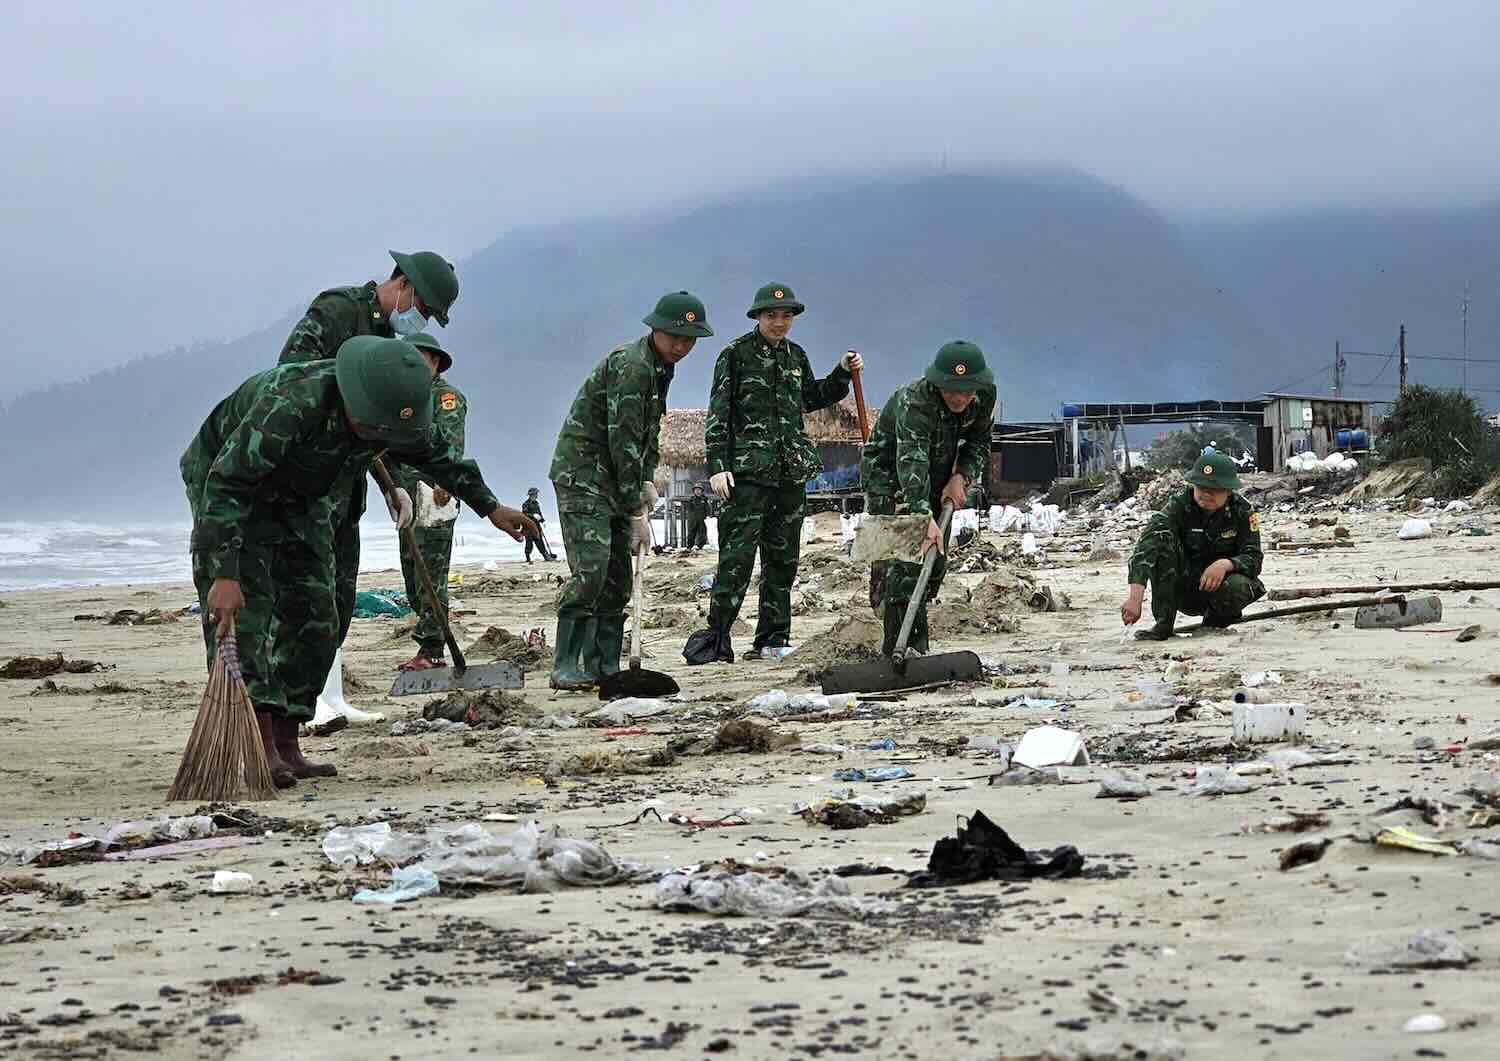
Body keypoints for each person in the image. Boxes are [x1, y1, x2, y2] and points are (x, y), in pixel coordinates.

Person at [182, 336, 534, 786]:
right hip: (232, 489)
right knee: (249, 615)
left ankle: (287, 740)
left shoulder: (393, 413)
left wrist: (491, 507)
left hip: (303, 496)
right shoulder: (292, 404)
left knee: (317, 616)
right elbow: (227, 485)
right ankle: (256, 742)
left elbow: (441, 459)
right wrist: (224, 574)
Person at [277, 250, 461, 650]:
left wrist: (390, 486)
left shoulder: (385, 342)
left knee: (340, 601)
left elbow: (374, 428)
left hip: (346, 488)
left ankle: (322, 681)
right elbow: (288, 386)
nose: (422, 321)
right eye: (424, 310)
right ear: (405, 284)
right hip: (308, 487)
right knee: (308, 606)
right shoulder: (338, 311)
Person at [689, 282, 861, 663]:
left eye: (786, 316)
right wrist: (717, 466)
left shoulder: (796, 356)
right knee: (736, 560)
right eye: (772, 315)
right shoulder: (734, 355)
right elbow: (719, 413)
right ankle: (717, 640)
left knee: (783, 561)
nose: (780, 322)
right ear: (757, 317)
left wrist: (842, 373)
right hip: (747, 476)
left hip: (789, 473)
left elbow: (812, 397)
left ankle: (772, 639)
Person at [548, 291, 712, 689]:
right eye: (675, 336)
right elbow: (622, 439)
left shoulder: (661, 368)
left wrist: (646, 478)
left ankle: (603, 664)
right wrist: (635, 507)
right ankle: (565, 664)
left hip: (617, 481)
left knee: (618, 579)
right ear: (656, 329)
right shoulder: (633, 366)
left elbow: (648, 430)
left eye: (690, 340)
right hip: (584, 477)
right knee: (591, 572)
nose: (682, 346)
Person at [861, 341, 997, 656]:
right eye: (951, 390)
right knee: (910, 562)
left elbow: (979, 441)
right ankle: (904, 650)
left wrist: (961, 476)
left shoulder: (984, 395)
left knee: (935, 561)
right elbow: (912, 461)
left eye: (967, 391)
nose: (959, 398)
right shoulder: (915, 402)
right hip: (890, 478)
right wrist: (922, 517)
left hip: (938, 476)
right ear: (937, 383)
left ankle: (889, 584)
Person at [1121, 452, 1265, 640]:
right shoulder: (1179, 504)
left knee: (1238, 586)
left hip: (1221, 589)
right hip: (1183, 587)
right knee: (1161, 539)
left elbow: (1254, 558)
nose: (1206, 494)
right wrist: (1135, 598)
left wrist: (1225, 564)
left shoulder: (1242, 511)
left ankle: (1213, 624)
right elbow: (1147, 546)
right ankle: (1163, 625)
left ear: (1228, 490)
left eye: (1214, 489)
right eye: (1201, 487)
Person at [390, 333, 467, 671]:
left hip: (434, 496)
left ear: (434, 361)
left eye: (418, 357)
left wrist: (444, 480)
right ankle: (427, 644)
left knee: (430, 573)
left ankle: (432, 649)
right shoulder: (404, 400)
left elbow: (451, 443)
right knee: (411, 569)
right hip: (407, 497)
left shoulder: (445, 397)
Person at [523, 487, 554, 563]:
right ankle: (528, 558)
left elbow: (539, 513)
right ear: (531, 494)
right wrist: (533, 515)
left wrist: (542, 520)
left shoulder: (537, 503)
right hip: (528, 526)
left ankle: (546, 556)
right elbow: (524, 514)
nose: (537, 495)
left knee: (540, 541)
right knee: (529, 543)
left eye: (537, 494)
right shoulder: (525, 504)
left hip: (537, 525)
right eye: (536, 494)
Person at [683, 484, 710, 550]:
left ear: (701, 491)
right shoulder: (691, 499)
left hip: (702, 519)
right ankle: (689, 546)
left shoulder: (705, 499)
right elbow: (688, 508)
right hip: (693, 519)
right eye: (696, 490)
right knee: (691, 533)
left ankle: (700, 546)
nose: (697, 491)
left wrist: (708, 516)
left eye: (699, 490)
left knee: (702, 533)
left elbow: (708, 509)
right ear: (694, 491)